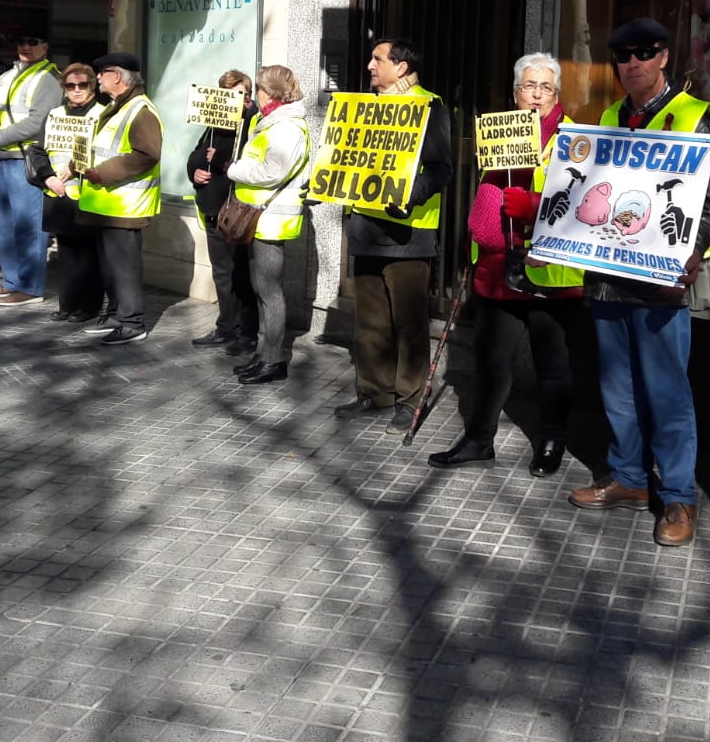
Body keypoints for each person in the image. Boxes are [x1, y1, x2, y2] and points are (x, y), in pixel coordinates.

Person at [568, 17, 710, 549]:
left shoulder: (695, 118)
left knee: (667, 392)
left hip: (659, 285)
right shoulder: (607, 117)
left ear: (663, 59)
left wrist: (692, 249)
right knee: (616, 386)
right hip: (608, 277)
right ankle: (629, 478)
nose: (631, 64)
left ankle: (678, 495)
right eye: (623, 56)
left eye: (643, 54)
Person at [428, 53, 610, 479]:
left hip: (548, 270)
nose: (537, 95)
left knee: (553, 364)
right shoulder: (501, 130)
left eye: (546, 87)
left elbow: (586, 204)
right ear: (515, 93)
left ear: (556, 95)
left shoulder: (574, 137)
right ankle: (478, 437)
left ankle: (550, 441)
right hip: (497, 267)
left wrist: (533, 207)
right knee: (491, 359)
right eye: (529, 86)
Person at [333, 39, 454, 431]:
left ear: (401, 67)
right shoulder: (363, 107)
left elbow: (441, 168)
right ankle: (374, 392)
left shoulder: (428, 105)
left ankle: (409, 398)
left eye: (378, 59)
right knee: (369, 321)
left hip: (409, 233)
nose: (369, 65)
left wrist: (411, 196)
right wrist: (324, 186)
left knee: (409, 323)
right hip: (366, 227)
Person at [225, 66, 312, 385]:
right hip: (260, 218)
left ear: (271, 92)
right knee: (262, 290)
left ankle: (273, 359)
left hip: (272, 220)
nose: (256, 96)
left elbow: (270, 171)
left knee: (269, 291)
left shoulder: (286, 126)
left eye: (259, 89)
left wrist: (234, 170)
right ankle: (263, 354)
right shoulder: (272, 122)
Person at [76, 52, 162, 343]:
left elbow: (148, 154)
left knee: (124, 269)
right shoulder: (117, 106)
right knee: (111, 267)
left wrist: (103, 172)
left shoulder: (140, 110)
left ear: (119, 76)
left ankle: (132, 323)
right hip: (106, 204)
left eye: (104, 71)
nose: (98, 77)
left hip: (124, 206)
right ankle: (115, 314)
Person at [0, 34, 61, 307]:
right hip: (2, 159)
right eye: (22, 42)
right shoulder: (6, 76)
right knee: (5, 226)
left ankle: (30, 287)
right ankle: (11, 281)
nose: (26, 47)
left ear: (45, 47)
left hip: (24, 159)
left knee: (29, 227)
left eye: (34, 42)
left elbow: (38, 122)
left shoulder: (48, 77)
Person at [26, 62, 107, 321]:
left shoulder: (103, 115)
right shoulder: (54, 114)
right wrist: (47, 177)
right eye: (71, 86)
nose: (77, 90)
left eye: (82, 85)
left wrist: (81, 170)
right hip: (58, 194)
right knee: (67, 253)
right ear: (64, 88)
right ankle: (67, 305)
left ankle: (89, 307)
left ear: (92, 86)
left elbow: (107, 154)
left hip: (90, 194)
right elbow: (37, 151)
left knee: (89, 254)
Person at [186, 70, 258, 353]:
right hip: (213, 208)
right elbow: (196, 153)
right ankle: (226, 326)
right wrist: (195, 171)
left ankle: (246, 330)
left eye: (239, 94)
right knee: (222, 273)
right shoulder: (214, 124)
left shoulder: (252, 123)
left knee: (240, 274)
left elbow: (243, 164)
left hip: (237, 213)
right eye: (228, 95)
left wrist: (217, 164)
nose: (233, 101)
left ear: (248, 97)